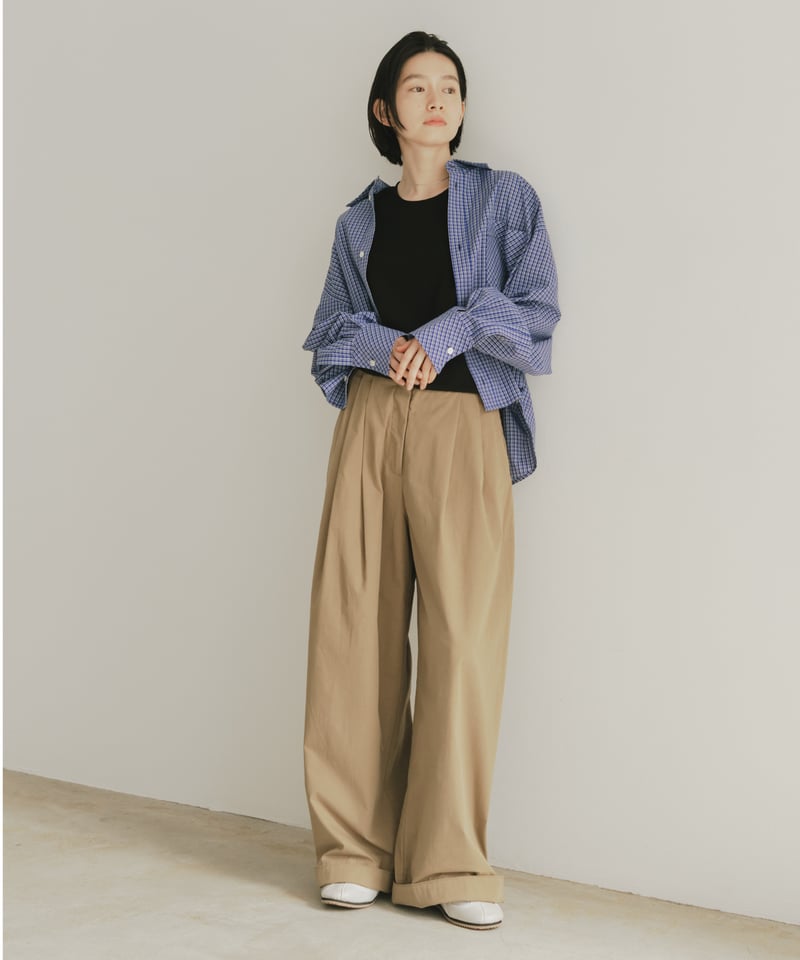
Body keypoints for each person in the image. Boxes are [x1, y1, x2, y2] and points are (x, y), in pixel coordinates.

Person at [300, 30, 560, 931]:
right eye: (417, 87)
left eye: (450, 85)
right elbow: (329, 335)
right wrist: (389, 347)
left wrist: (444, 334)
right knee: (352, 636)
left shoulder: (504, 200)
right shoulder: (357, 224)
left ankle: (450, 863)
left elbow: (536, 312)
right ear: (386, 110)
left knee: (462, 641)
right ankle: (352, 852)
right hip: (373, 426)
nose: (437, 98)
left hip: (464, 429)